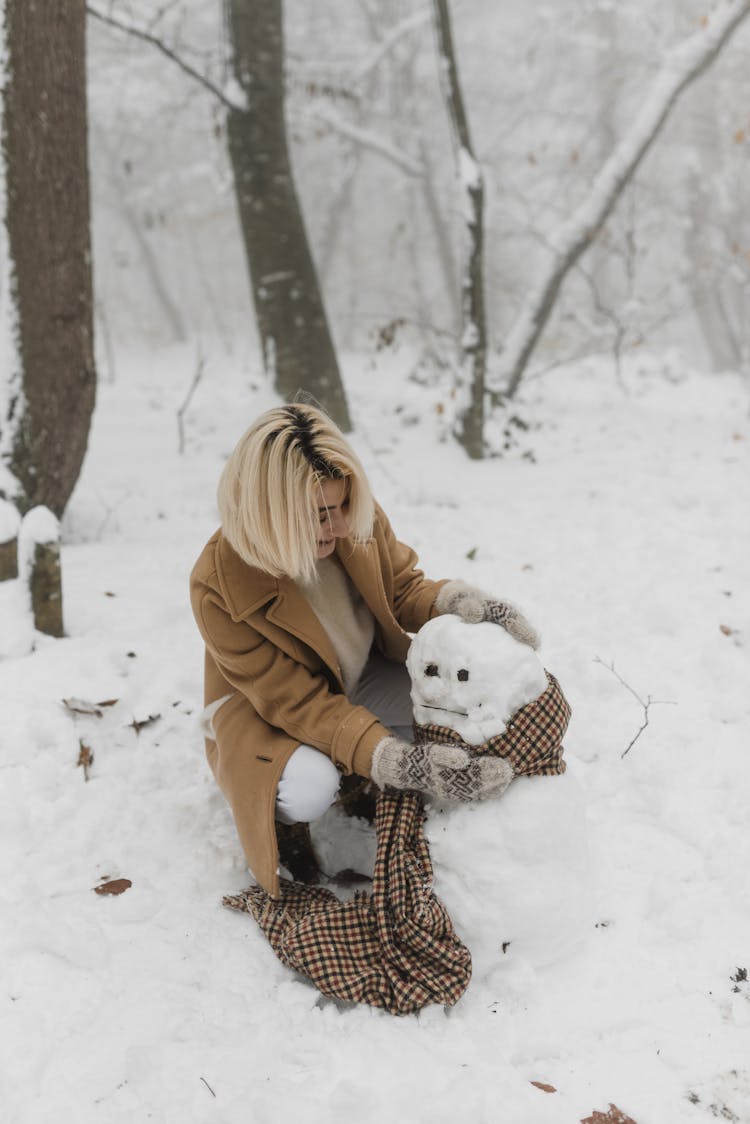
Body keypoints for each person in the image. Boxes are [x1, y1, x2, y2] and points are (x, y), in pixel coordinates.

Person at [189, 403, 539, 898]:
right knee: (310, 787)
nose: (335, 526)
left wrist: (460, 603)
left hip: (358, 675)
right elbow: (297, 702)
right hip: (268, 714)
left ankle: (358, 766)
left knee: (456, 705)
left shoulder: (354, 516)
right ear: (269, 511)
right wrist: (396, 761)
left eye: (340, 507)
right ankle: (289, 815)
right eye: (316, 516)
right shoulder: (219, 584)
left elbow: (400, 586)